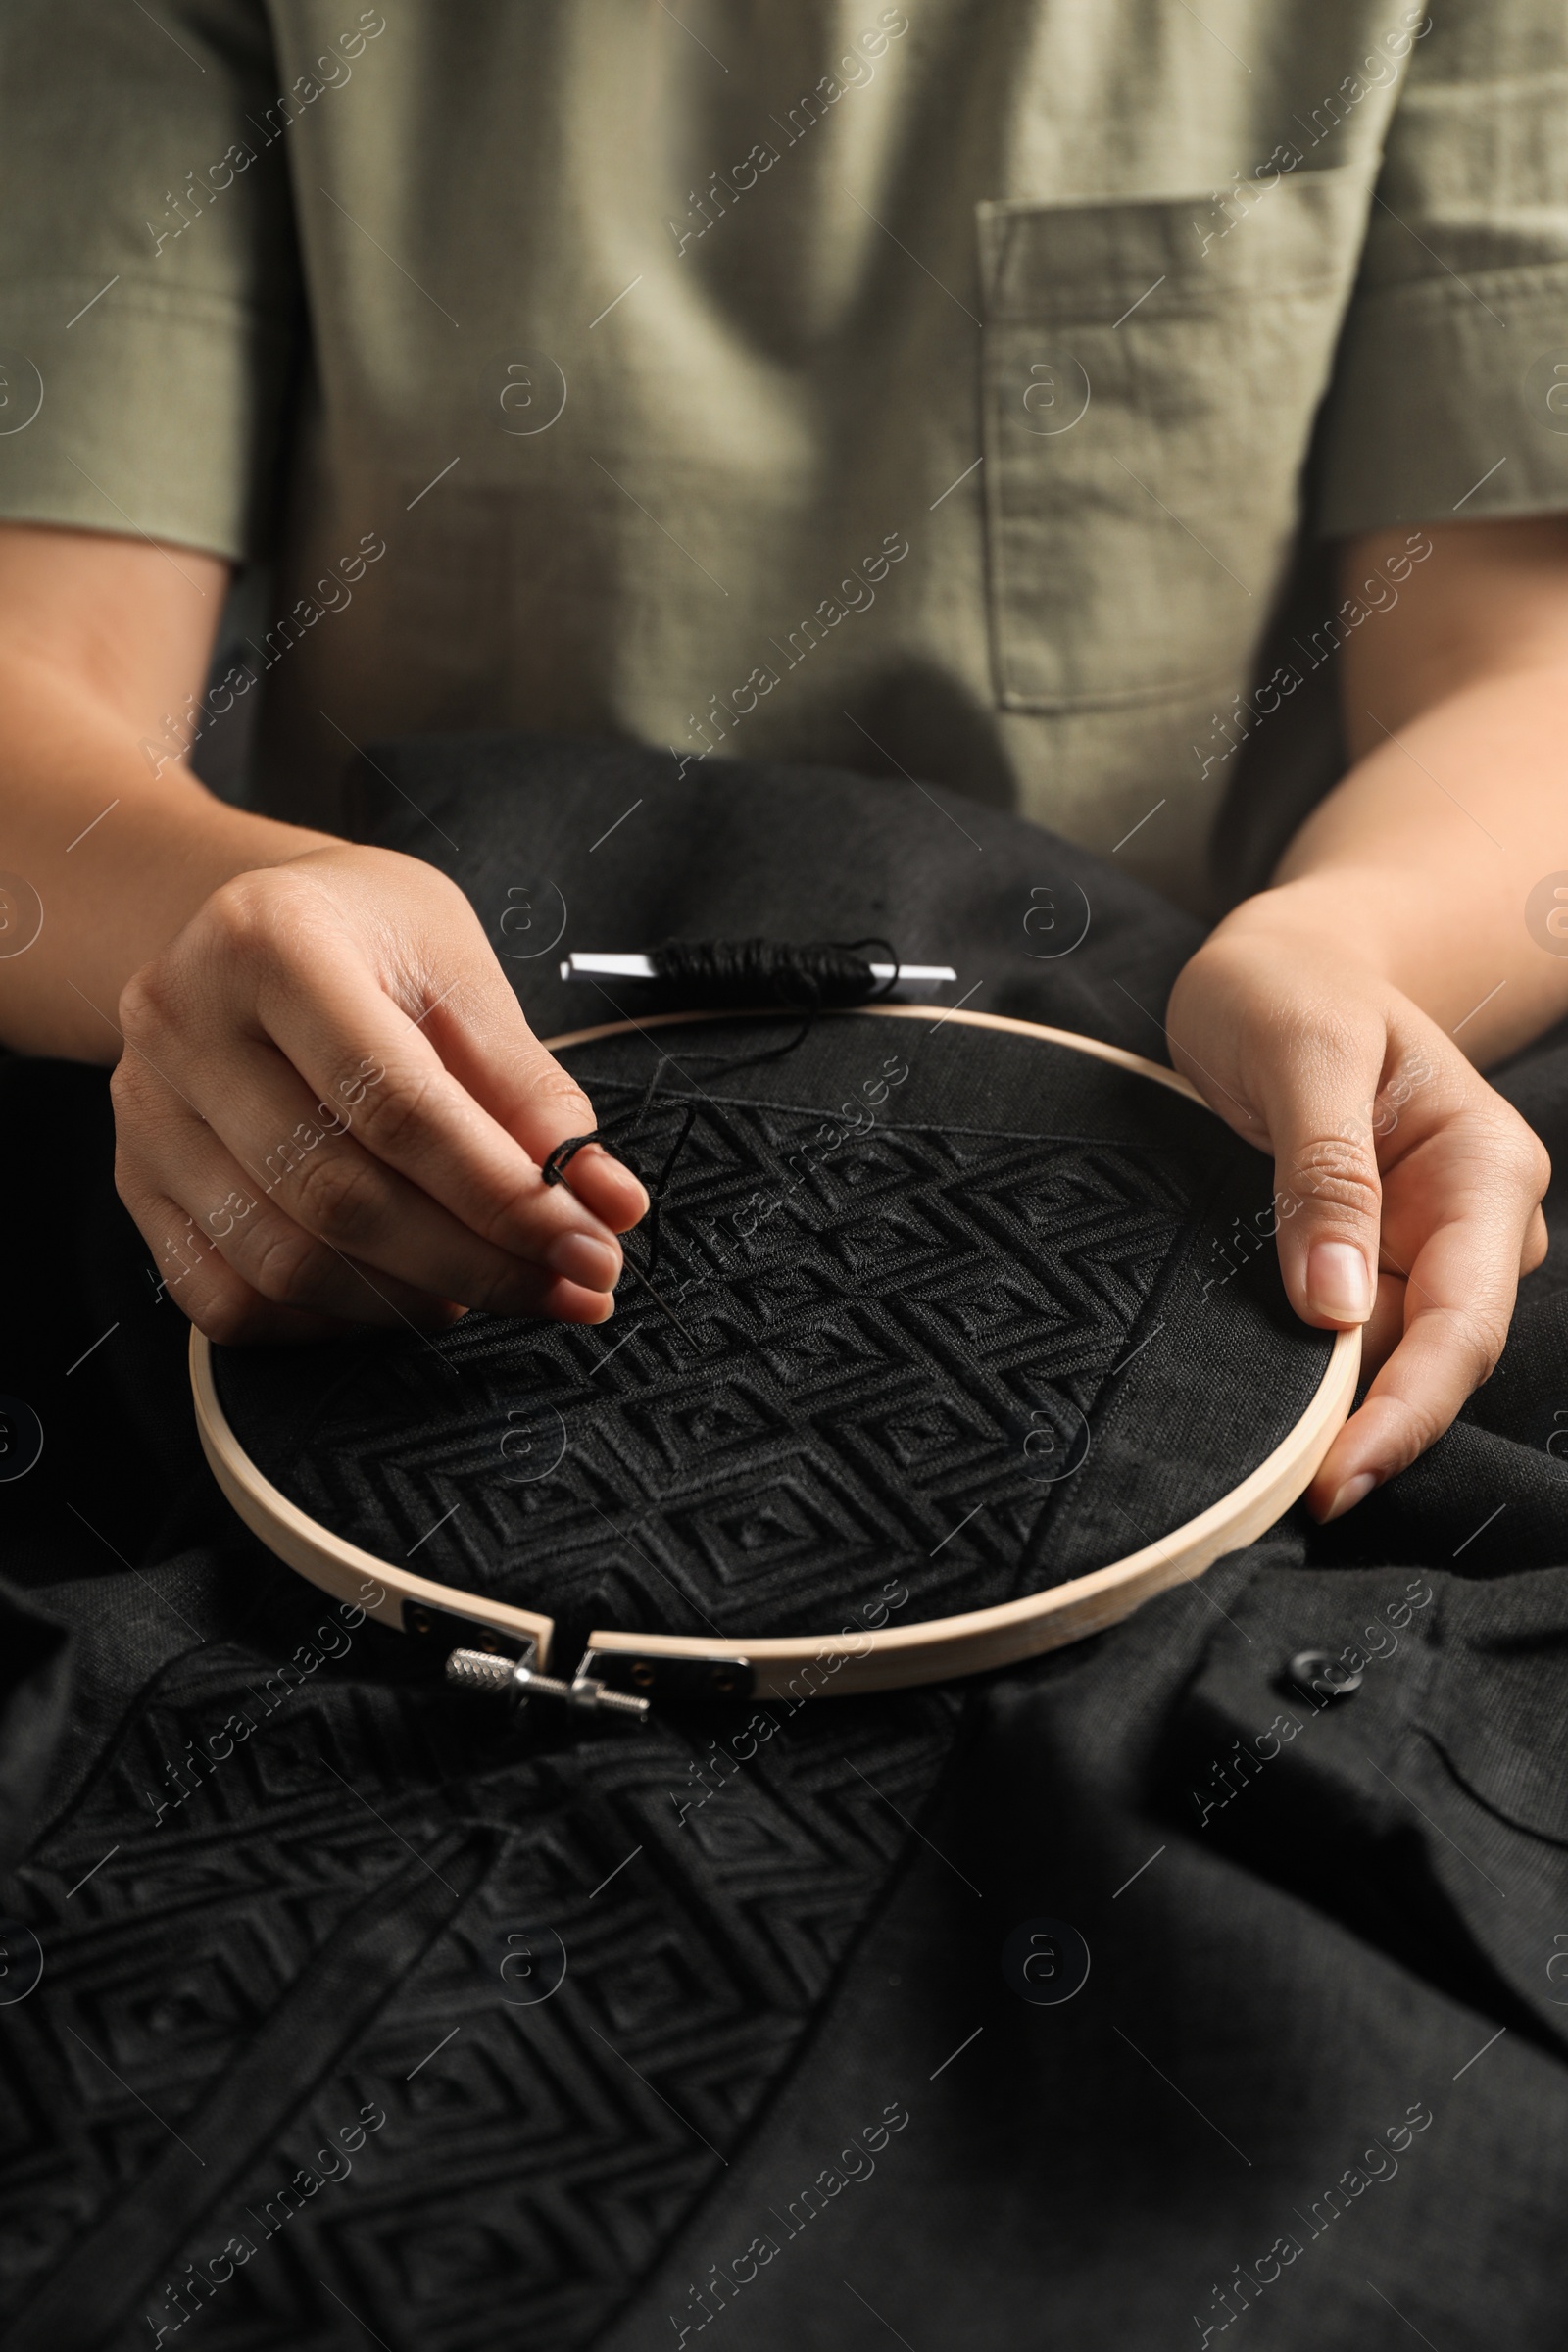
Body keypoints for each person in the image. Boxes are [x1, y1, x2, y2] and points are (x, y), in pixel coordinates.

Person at [0, 0, 1564, 1536]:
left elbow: (1519, 663)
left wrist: (1345, 948)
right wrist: (227, 915)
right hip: (423, 1128)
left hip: (1175, 1100)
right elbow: (38, 677)